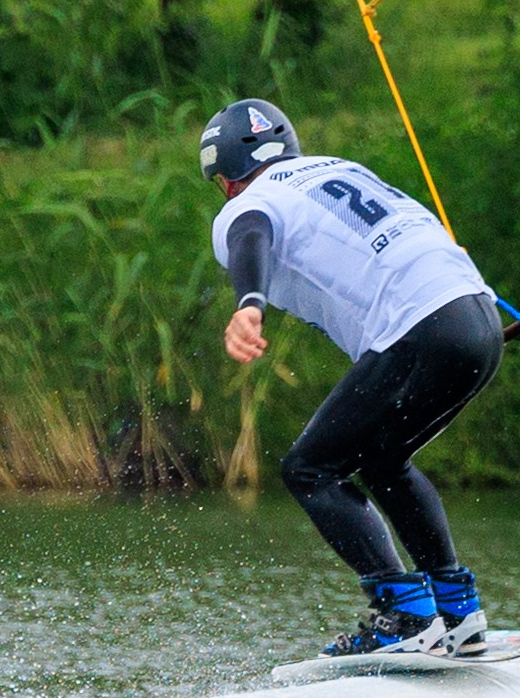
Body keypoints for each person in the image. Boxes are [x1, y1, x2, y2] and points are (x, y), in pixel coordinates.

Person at [202, 97, 503, 659]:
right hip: (479, 321)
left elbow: (251, 234)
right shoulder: (339, 169)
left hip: (419, 326)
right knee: (383, 457)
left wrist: (249, 303)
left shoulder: (250, 201)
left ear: (227, 179)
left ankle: (405, 615)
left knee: (309, 468)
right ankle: (458, 613)